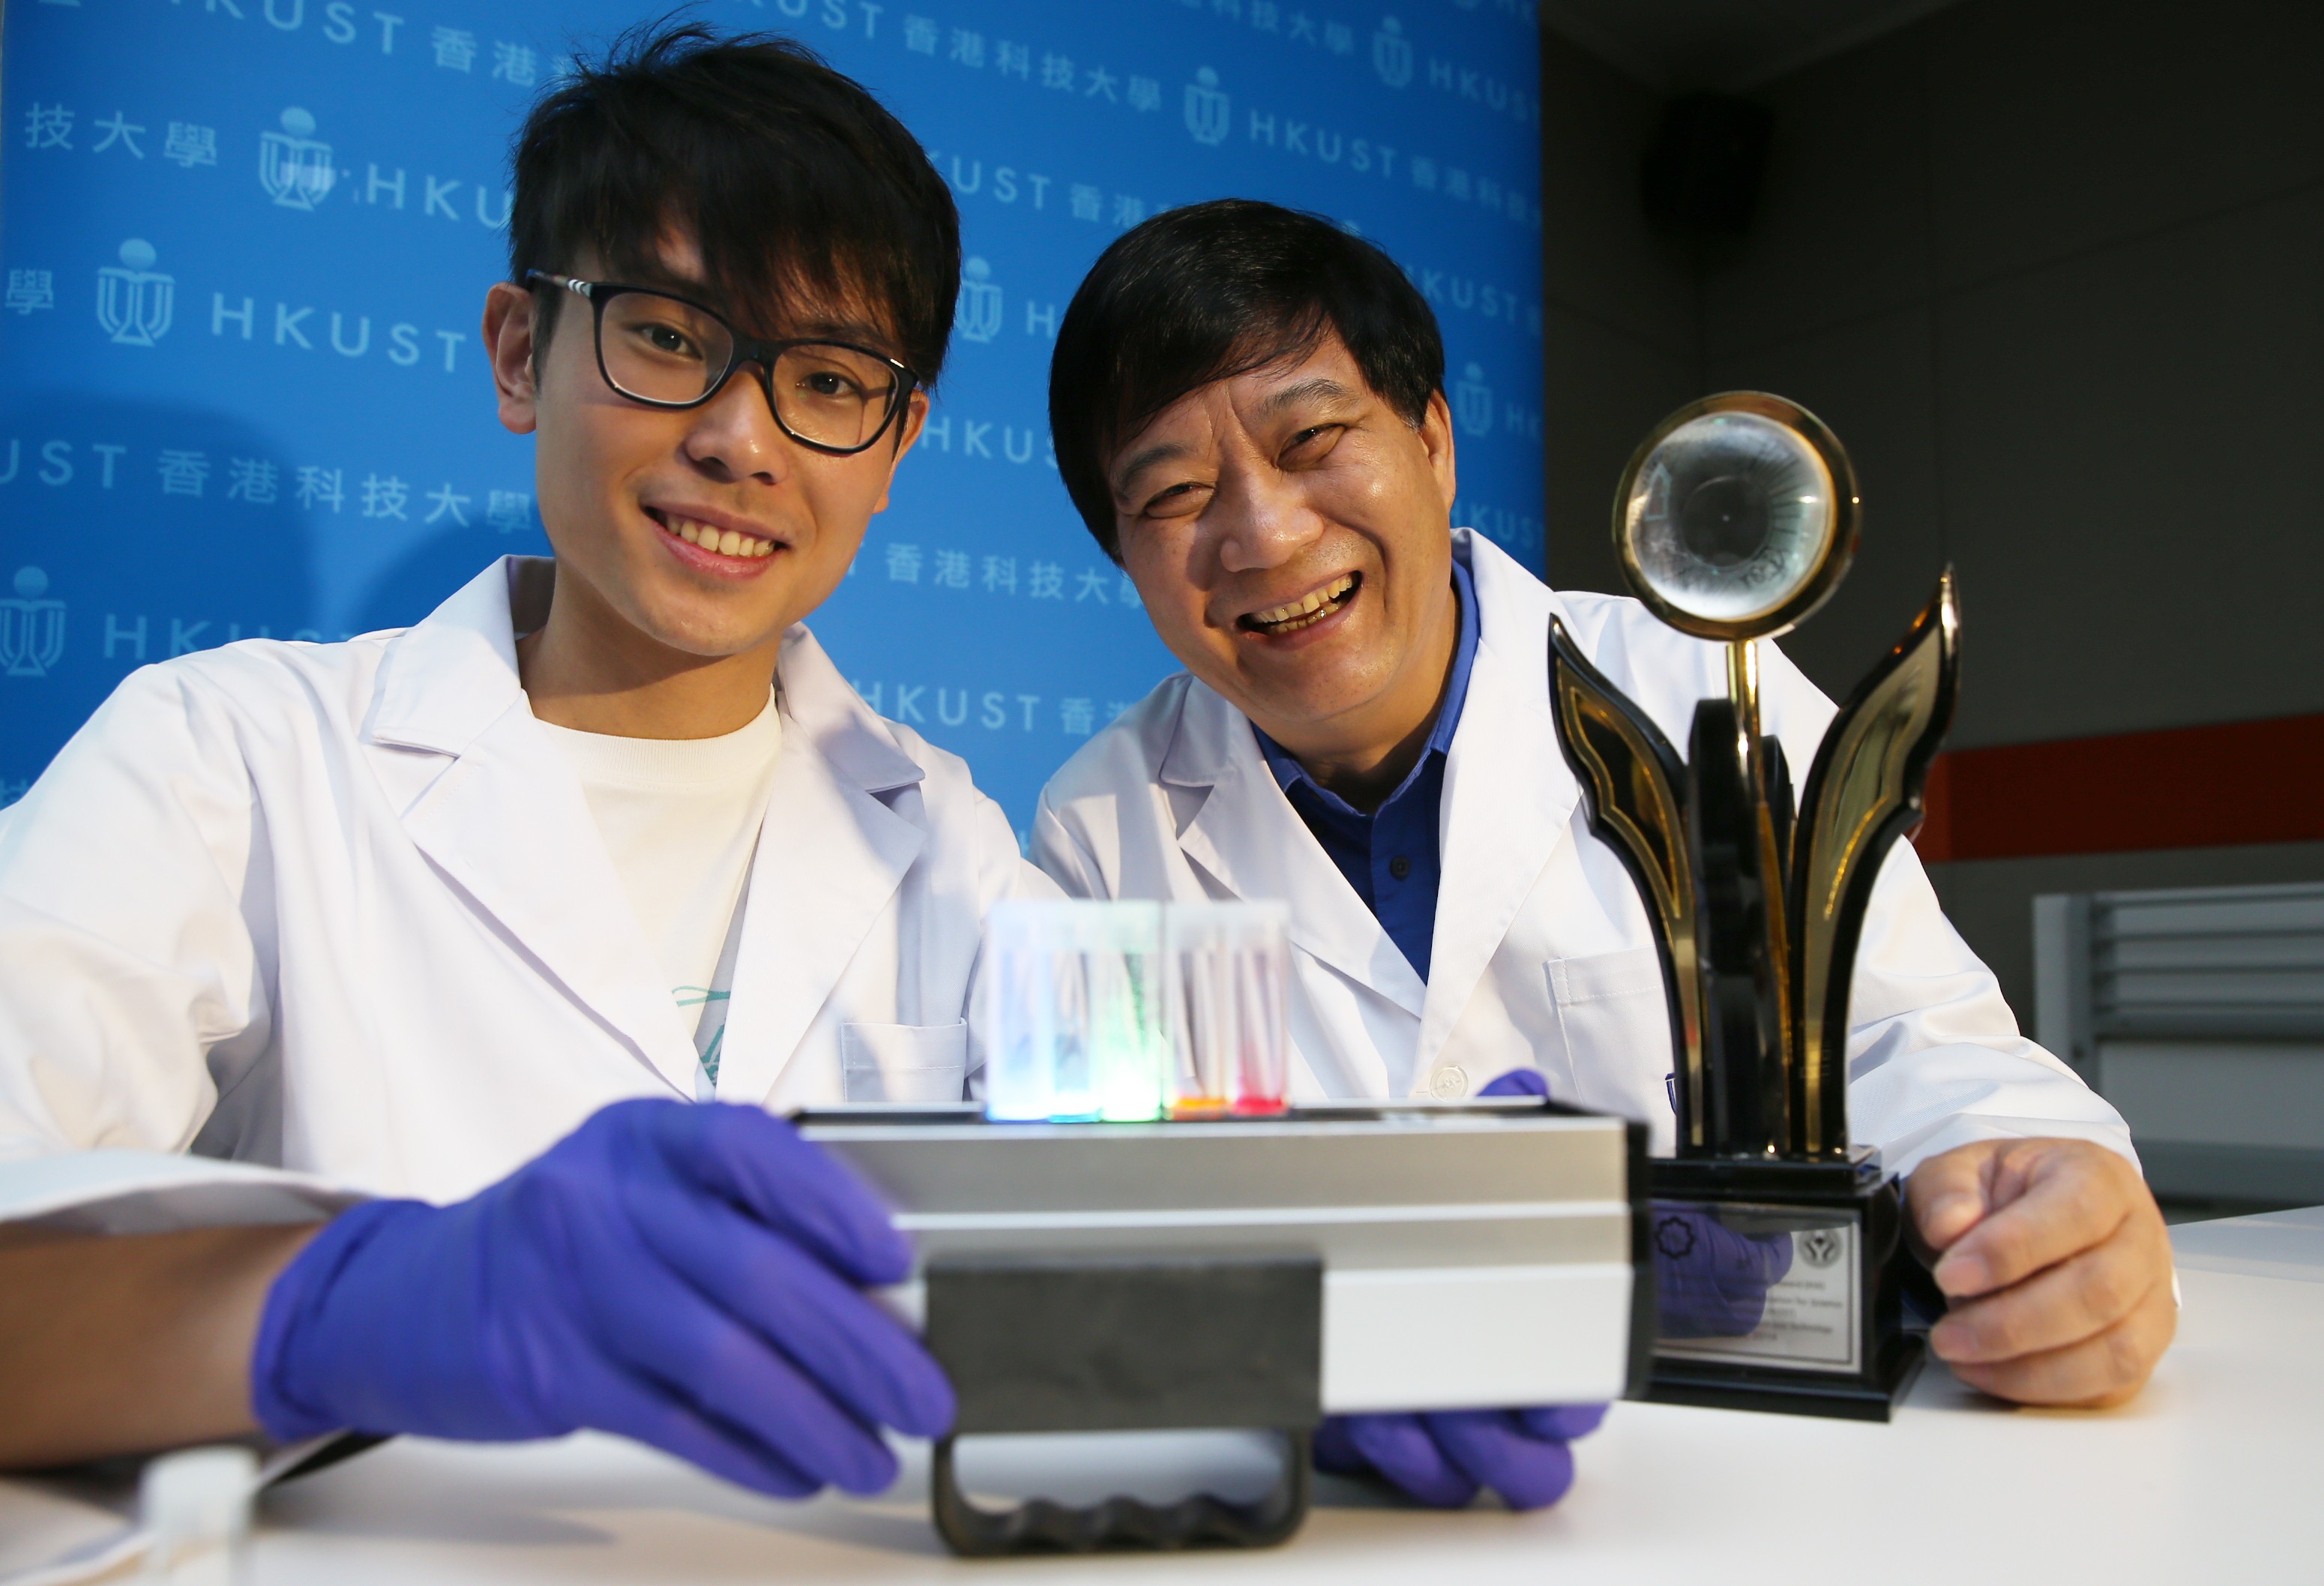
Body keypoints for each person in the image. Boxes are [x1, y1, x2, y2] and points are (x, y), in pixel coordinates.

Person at [0, 26, 1052, 1494]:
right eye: (671, 337)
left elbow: (1125, 1261)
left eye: (825, 379)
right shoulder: (225, 757)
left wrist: (1343, 1341)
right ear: (519, 351)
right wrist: (337, 1310)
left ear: (892, 446)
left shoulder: (954, 844)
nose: (743, 440)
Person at [1035, 199, 2177, 1501]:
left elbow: (1918, 1042)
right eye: (1175, 494)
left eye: (1313, 441)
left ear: (1433, 442)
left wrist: (2043, 1208)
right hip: (1361, 1511)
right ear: (1124, 554)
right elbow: (1103, 1216)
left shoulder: (1694, 684)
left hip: (1759, 1483)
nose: (1265, 536)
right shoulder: (1099, 825)